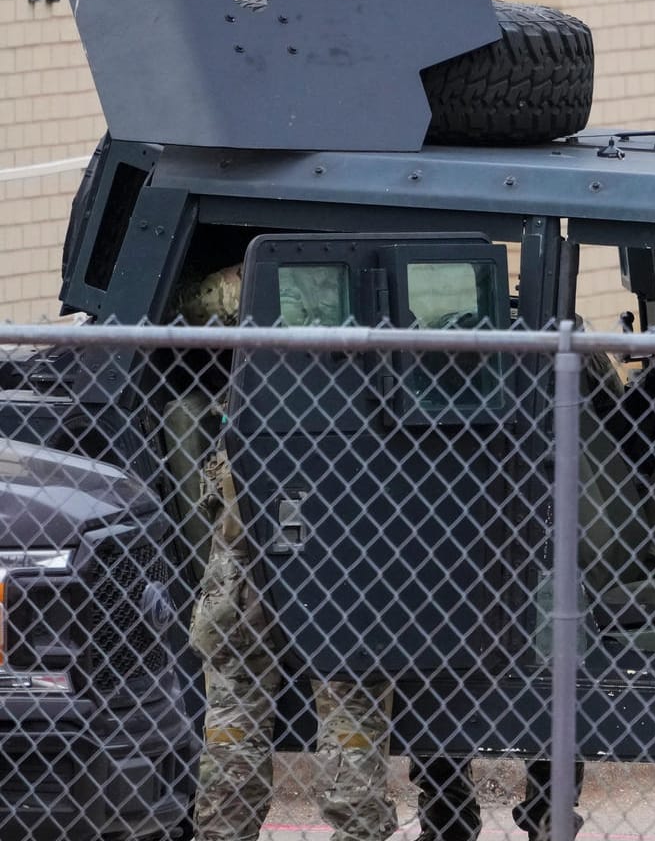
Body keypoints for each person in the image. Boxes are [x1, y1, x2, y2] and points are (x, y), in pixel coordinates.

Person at [173, 265, 485, 841]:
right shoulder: (383, 378)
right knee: (350, 716)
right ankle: (355, 828)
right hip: (341, 569)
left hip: (257, 568)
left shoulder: (256, 366)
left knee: (241, 719)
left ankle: (229, 832)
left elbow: (193, 304)